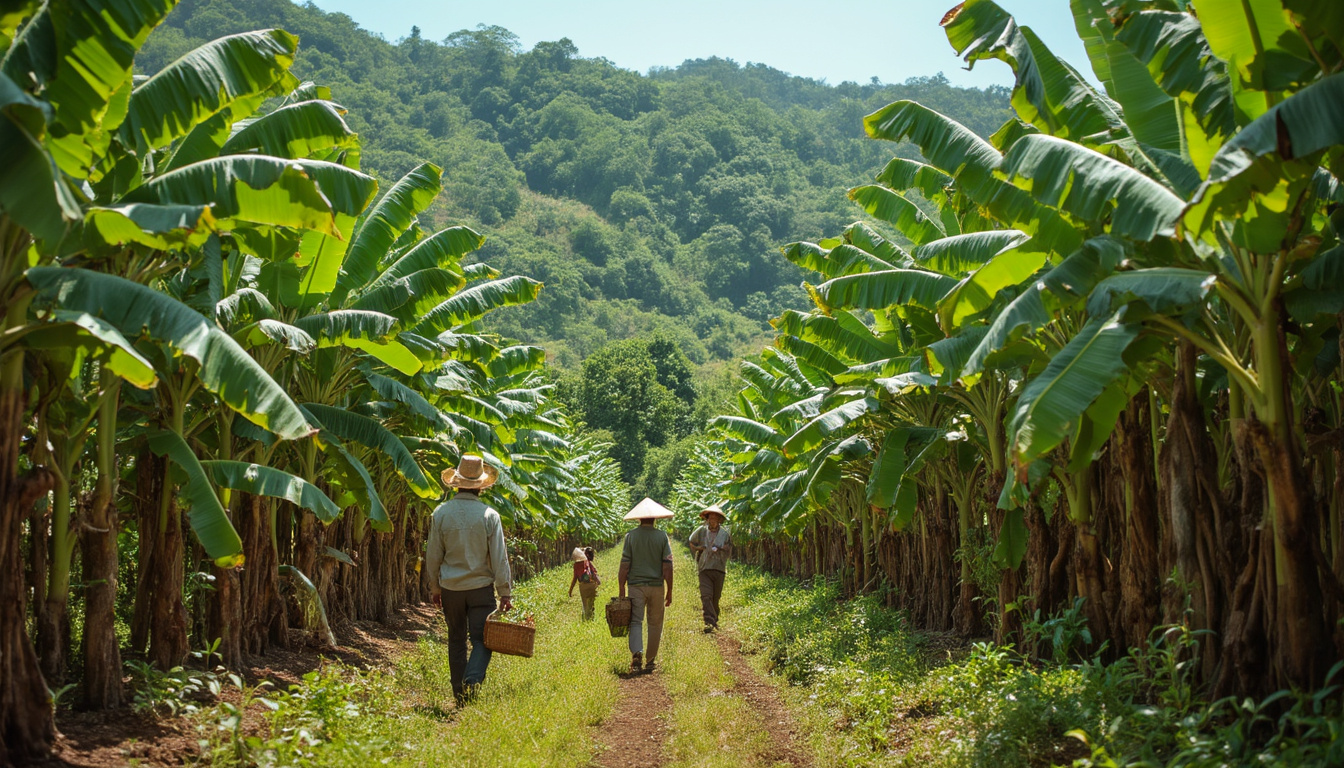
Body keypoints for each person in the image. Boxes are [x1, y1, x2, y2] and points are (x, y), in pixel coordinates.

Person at [424, 455, 514, 704]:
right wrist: (504, 592)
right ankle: (472, 680)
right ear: (480, 486)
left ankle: (459, 693)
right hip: (480, 589)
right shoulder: (489, 515)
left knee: (456, 640)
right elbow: (499, 557)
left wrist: (435, 587)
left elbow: (433, 555)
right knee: (482, 639)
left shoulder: (441, 513)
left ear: (457, 484)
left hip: (451, 589)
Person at [618, 498, 674, 673]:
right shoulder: (662, 536)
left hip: (636, 586)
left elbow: (625, 564)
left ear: (639, 518)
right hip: (657, 586)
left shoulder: (631, 537)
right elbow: (667, 566)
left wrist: (621, 587)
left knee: (636, 621)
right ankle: (650, 660)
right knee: (655, 623)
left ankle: (637, 653)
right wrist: (670, 590)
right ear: (655, 518)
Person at [687, 504, 732, 632]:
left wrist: (722, 548)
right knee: (706, 595)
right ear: (707, 519)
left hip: (719, 568)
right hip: (704, 568)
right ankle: (709, 621)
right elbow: (691, 541)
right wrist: (699, 549)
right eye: (710, 518)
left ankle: (714, 617)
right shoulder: (701, 531)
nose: (712, 520)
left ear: (719, 520)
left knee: (715, 598)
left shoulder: (724, 534)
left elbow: (729, 549)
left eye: (715, 518)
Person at [568, 546, 601, 620]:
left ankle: (586, 619)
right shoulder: (587, 562)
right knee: (591, 604)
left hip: (583, 586)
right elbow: (594, 573)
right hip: (591, 585)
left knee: (585, 604)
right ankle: (591, 618)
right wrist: (598, 582)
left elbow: (575, 579)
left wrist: (570, 590)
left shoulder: (576, 565)